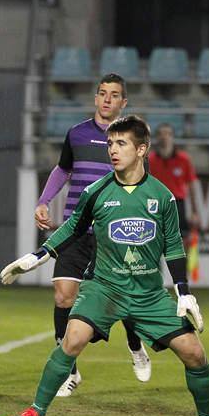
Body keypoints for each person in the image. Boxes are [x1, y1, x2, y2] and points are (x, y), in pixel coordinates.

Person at [1, 115, 209, 416]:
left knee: (195, 354)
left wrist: (184, 293)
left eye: (121, 143)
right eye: (111, 143)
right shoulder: (96, 191)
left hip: (149, 295)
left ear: (142, 149)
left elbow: (173, 247)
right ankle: (35, 412)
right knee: (72, 340)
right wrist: (38, 256)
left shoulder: (162, 196)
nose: (113, 150)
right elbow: (73, 228)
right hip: (104, 289)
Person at [34, 73, 150, 397]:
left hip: (111, 237)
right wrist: (44, 201)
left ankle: (135, 345)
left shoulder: (130, 144)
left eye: (114, 95)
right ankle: (69, 372)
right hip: (75, 230)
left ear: (123, 103)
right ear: (96, 98)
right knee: (63, 297)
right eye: (102, 93)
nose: (107, 100)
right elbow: (62, 170)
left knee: (123, 301)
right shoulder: (77, 134)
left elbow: (141, 189)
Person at [148, 122, 201, 245]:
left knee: (181, 240)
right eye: (161, 134)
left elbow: (192, 186)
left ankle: (182, 264)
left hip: (178, 204)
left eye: (167, 134)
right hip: (157, 204)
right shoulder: (150, 160)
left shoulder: (183, 159)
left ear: (172, 137)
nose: (164, 137)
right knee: (154, 240)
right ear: (157, 138)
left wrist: (194, 212)